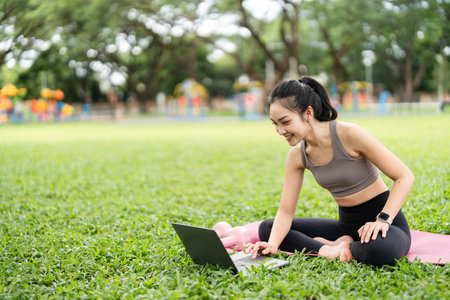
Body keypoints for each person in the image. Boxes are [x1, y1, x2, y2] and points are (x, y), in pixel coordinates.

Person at [245, 77, 414, 267]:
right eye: (274, 123)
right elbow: (285, 212)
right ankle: (328, 250)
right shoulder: (296, 157)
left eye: (285, 122)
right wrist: (272, 245)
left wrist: (383, 219)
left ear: (308, 113)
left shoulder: (349, 134)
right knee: (268, 228)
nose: (279, 130)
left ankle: (346, 246)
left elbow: (404, 176)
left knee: (380, 251)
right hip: (347, 226)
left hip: (386, 223)